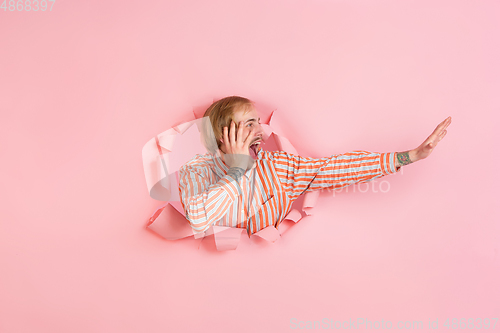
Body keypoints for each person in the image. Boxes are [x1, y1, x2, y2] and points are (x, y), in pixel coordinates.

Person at [178, 96, 452, 237]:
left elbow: (334, 169)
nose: (259, 129)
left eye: (257, 121)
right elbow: (199, 218)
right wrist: (237, 171)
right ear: (222, 134)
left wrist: (409, 156)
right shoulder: (198, 171)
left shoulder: (278, 167)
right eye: (249, 124)